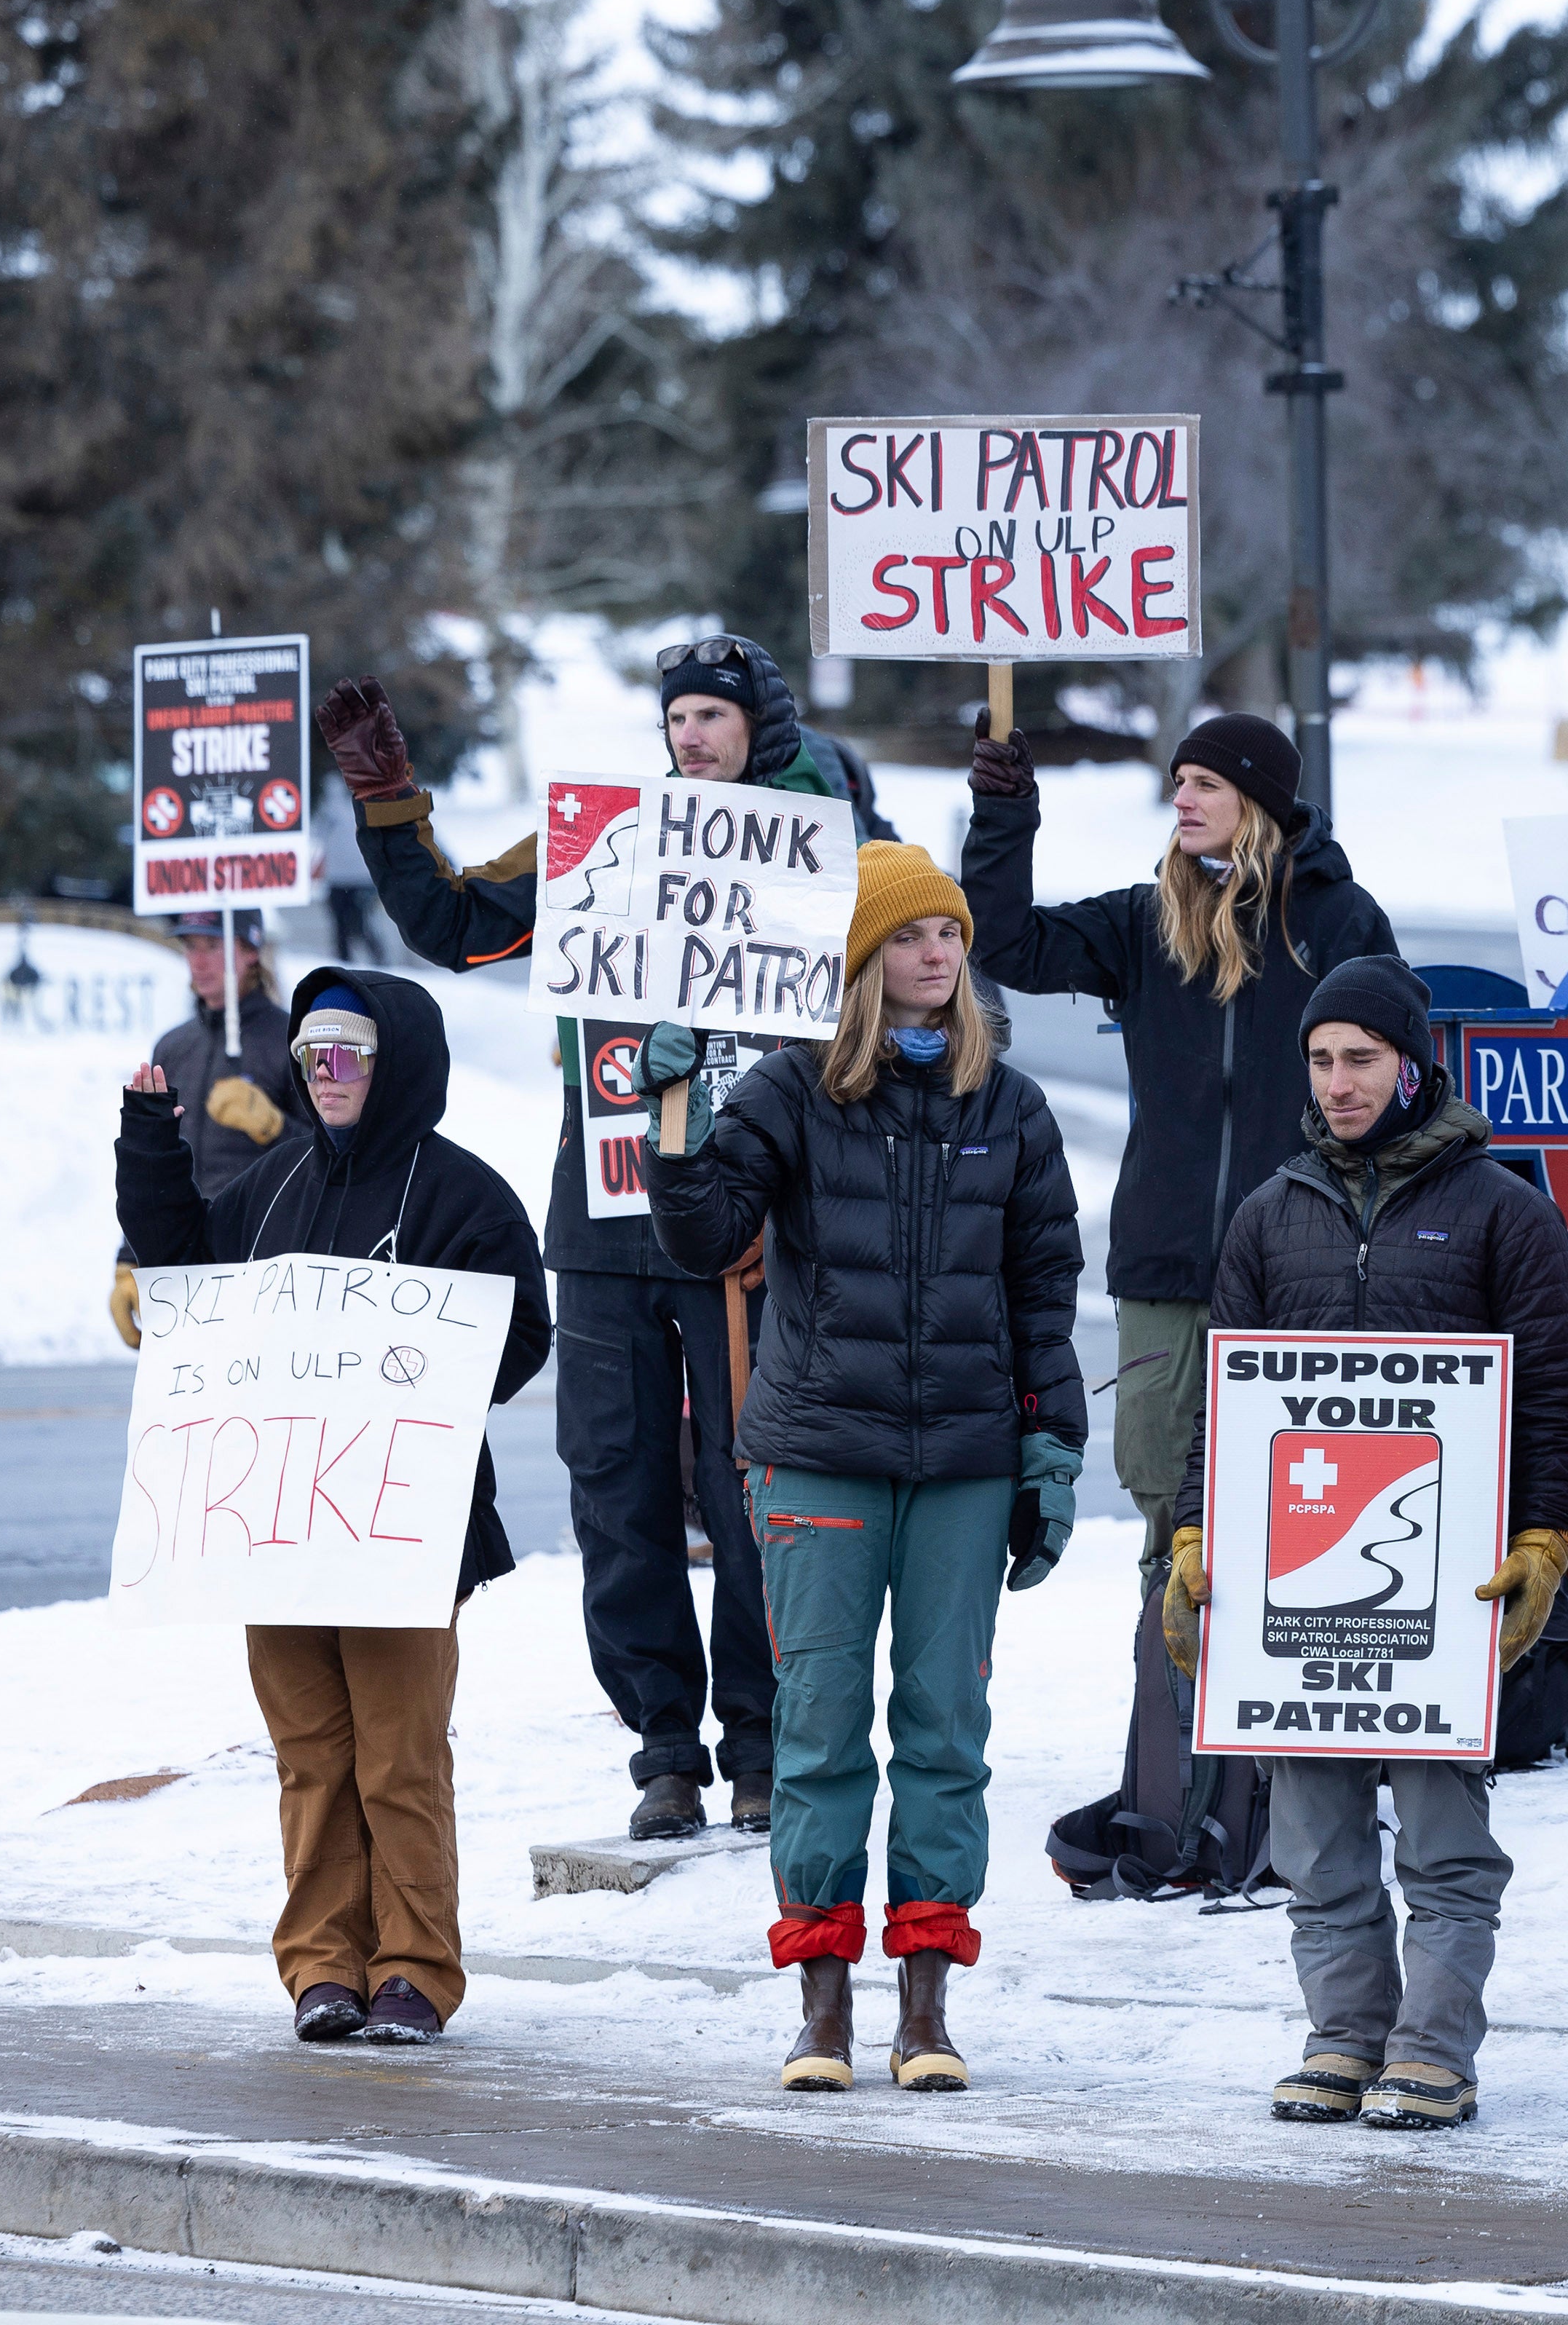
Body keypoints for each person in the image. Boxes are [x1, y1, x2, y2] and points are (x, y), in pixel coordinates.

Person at [316, 637, 885, 1842]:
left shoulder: (821, 847)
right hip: (608, 1210)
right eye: (677, 716)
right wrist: (385, 803)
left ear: (762, 730)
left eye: (714, 718)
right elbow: (458, 924)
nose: (691, 736)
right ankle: (664, 1748)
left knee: (755, 1499)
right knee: (615, 1492)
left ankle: (763, 1743)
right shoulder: (605, 845)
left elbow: (918, 964)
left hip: (751, 1225)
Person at [645, 845, 1086, 2097]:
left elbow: (1044, 1291)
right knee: (822, 1729)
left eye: (949, 933)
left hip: (958, 1460)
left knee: (947, 1731)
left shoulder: (1012, 1106)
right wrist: (672, 1122)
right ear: (860, 960)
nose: (937, 956)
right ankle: (824, 2011)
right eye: (909, 937)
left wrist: (1050, 1446)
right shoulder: (789, 1092)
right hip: (818, 1456)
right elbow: (706, 1234)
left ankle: (926, 2011)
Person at [1151, 956, 1568, 2131]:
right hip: (1295, 1591)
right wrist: (1195, 1535)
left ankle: (1434, 2047)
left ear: (1413, 1064)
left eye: (1362, 1059)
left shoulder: (1503, 1209)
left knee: (1446, 1842)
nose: (1339, 1083)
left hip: (1444, 1593)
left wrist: (1546, 1539)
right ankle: (1345, 2033)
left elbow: (1551, 1396)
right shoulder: (1269, 1213)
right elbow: (1224, 1405)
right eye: (1321, 1060)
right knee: (1315, 1839)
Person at [960, 711, 1394, 1890]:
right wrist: (1004, 818)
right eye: (1176, 783)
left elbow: (1401, 1086)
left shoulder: (1339, 924)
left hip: (1299, 1275)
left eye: (1204, 784)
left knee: (1295, 1528)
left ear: (1261, 799)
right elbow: (999, 939)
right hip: (1160, 1274)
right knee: (1170, 1521)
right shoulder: (1149, 920)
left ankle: (1283, 1788)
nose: (1184, 802)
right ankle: (1176, 1783)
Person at [113, 968, 550, 2045]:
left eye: (348, 1053)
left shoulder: (465, 1194)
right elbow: (188, 1282)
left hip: (406, 1531)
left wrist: (427, 1379)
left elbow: (520, 1339)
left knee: (400, 1759)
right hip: (281, 1532)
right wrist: (150, 1146)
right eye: (312, 1057)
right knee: (312, 1757)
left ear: (393, 1059)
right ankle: (324, 1967)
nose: (328, 1073)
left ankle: (413, 1971)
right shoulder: (271, 1185)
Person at [108, 909, 306, 1350]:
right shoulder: (173, 1047)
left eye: (213, 947)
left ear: (251, 952)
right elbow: (154, 1164)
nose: (198, 963)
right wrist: (130, 1259)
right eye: (190, 948)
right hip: (185, 1265)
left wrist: (275, 1126)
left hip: (268, 1268)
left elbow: (333, 1159)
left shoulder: (291, 1040)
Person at [319, 781, 379, 963]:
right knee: (346, 926)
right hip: (344, 876)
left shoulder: (370, 794)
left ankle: (375, 960)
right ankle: (348, 963)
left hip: (358, 876)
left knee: (356, 924)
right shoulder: (327, 799)